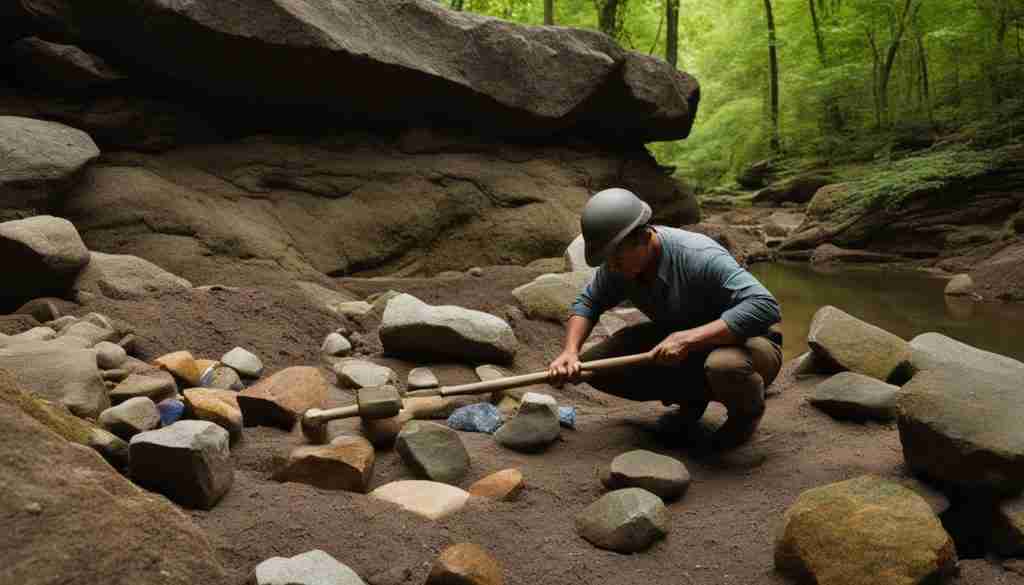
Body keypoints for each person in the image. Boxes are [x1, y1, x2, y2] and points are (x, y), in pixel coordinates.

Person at [548, 187, 783, 448]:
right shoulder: (618, 264)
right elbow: (588, 302)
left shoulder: (698, 255)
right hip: (683, 344)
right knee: (591, 367)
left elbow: (765, 306)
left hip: (748, 344)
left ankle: (745, 415)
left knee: (724, 366)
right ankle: (691, 402)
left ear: (645, 237)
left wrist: (689, 338)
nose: (611, 266)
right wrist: (570, 351)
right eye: (607, 258)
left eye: (616, 257)